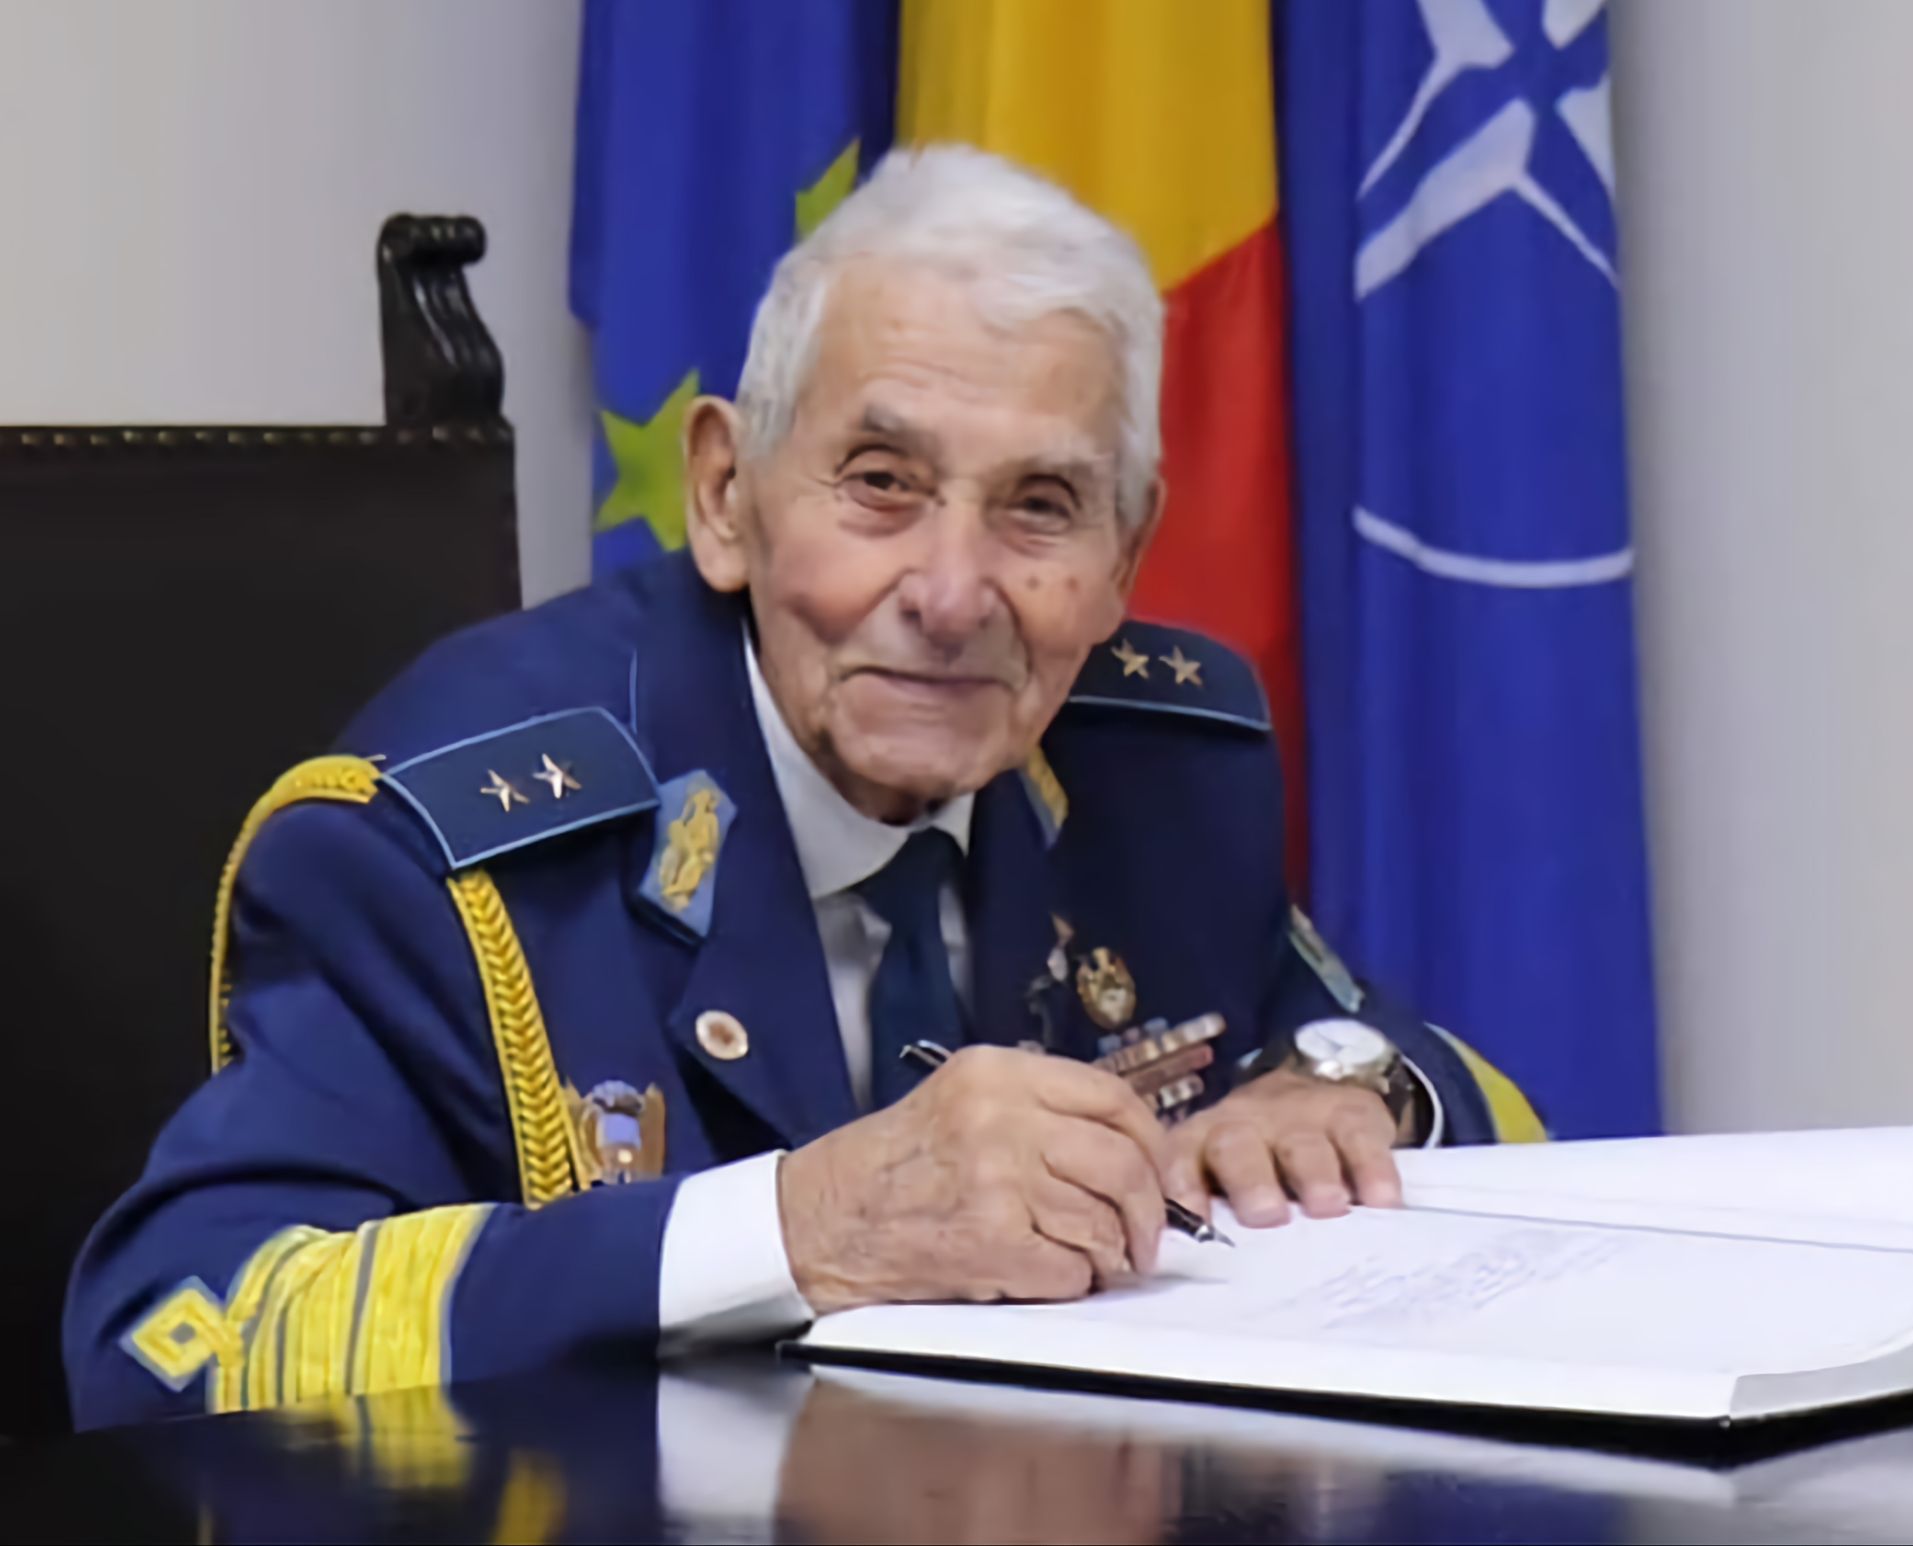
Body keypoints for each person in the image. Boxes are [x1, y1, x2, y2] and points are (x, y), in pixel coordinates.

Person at [65, 145, 1541, 1429]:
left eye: (1040, 506)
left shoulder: (1150, 760)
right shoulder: (458, 850)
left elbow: (1399, 1057)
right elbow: (168, 1341)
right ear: (725, 495)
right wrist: (799, 1227)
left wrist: (1349, 1093)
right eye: (882, 483)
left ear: (1125, 555)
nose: (952, 596)